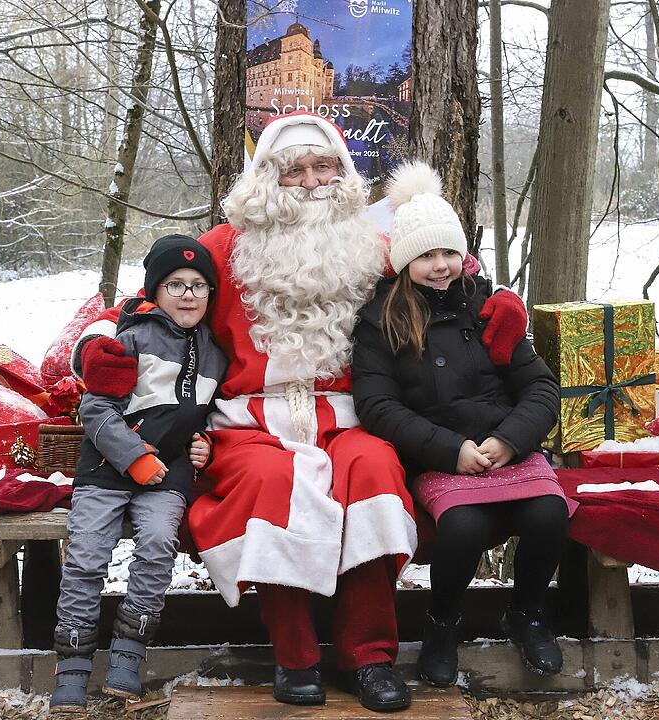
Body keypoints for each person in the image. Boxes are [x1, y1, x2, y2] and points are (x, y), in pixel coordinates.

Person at [74, 111, 530, 712]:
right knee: (273, 484)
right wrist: (98, 347)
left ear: (344, 174)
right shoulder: (222, 247)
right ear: (267, 179)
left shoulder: (374, 248)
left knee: (373, 475)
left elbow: (448, 276)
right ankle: (297, 657)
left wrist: (496, 302)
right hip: (248, 424)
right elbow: (148, 303)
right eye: (295, 170)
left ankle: (368, 658)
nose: (312, 181)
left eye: (325, 167)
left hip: (347, 417)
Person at [351, 162, 576, 686]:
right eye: (426, 255)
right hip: (440, 452)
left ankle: (524, 614)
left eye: (449, 252)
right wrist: (451, 450)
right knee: (463, 526)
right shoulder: (381, 321)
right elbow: (377, 407)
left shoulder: (490, 310)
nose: (440, 265)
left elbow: (541, 387)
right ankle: (443, 623)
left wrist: (509, 439)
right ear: (406, 260)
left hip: (506, 446)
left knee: (549, 514)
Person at [50, 235, 227, 712]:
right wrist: (133, 456)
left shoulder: (215, 351)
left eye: (199, 286)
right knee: (86, 559)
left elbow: (209, 413)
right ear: (156, 290)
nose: (188, 295)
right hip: (107, 469)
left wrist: (205, 442)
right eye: (175, 285)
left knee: (156, 548)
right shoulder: (131, 337)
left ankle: (129, 654)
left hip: (168, 476)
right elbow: (96, 406)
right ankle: (72, 666)